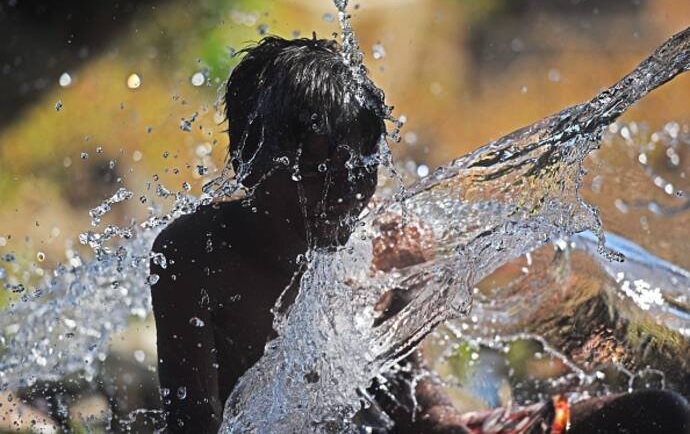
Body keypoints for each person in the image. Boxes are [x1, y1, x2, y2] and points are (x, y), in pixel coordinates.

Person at [150, 35, 690, 433]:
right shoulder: (196, 256)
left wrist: (443, 417)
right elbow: (191, 422)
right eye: (316, 170)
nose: (346, 190)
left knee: (660, 415)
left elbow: (407, 382)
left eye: (360, 166)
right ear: (248, 166)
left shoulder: (392, 245)